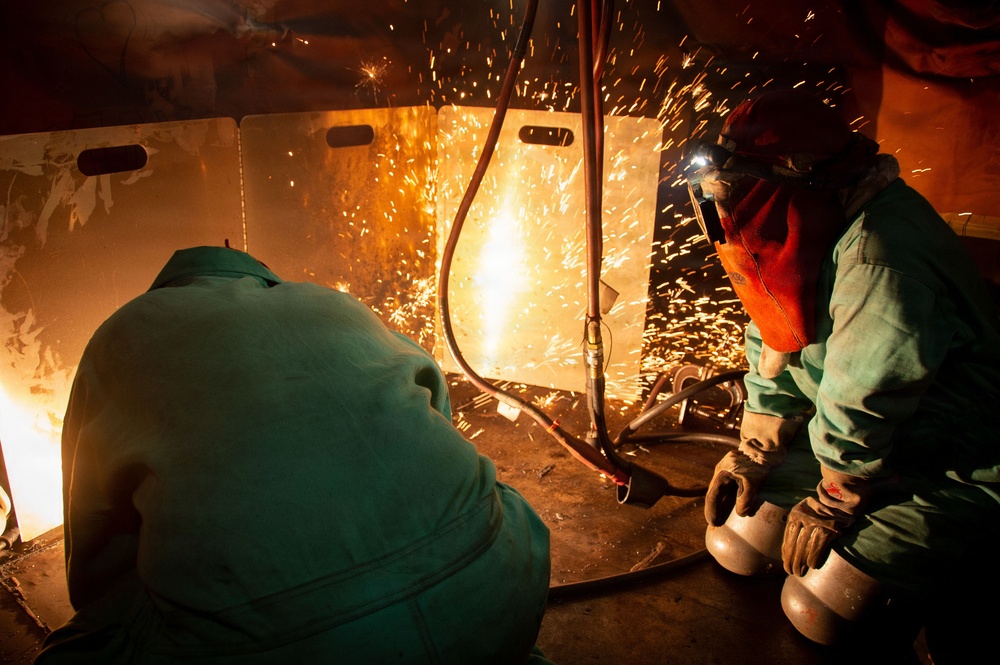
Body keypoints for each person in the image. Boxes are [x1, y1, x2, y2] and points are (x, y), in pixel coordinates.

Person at [35, 245, 554, 664]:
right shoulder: (332, 301)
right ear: (262, 276)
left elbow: (97, 536)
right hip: (500, 600)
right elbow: (438, 417)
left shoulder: (123, 334)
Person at [687, 89, 1000, 662]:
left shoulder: (882, 255)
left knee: (823, 609)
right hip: (864, 441)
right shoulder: (803, 223)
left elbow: (866, 394)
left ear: (806, 179)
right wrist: (759, 445)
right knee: (739, 542)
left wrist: (835, 494)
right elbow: (771, 326)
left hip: (954, 461)